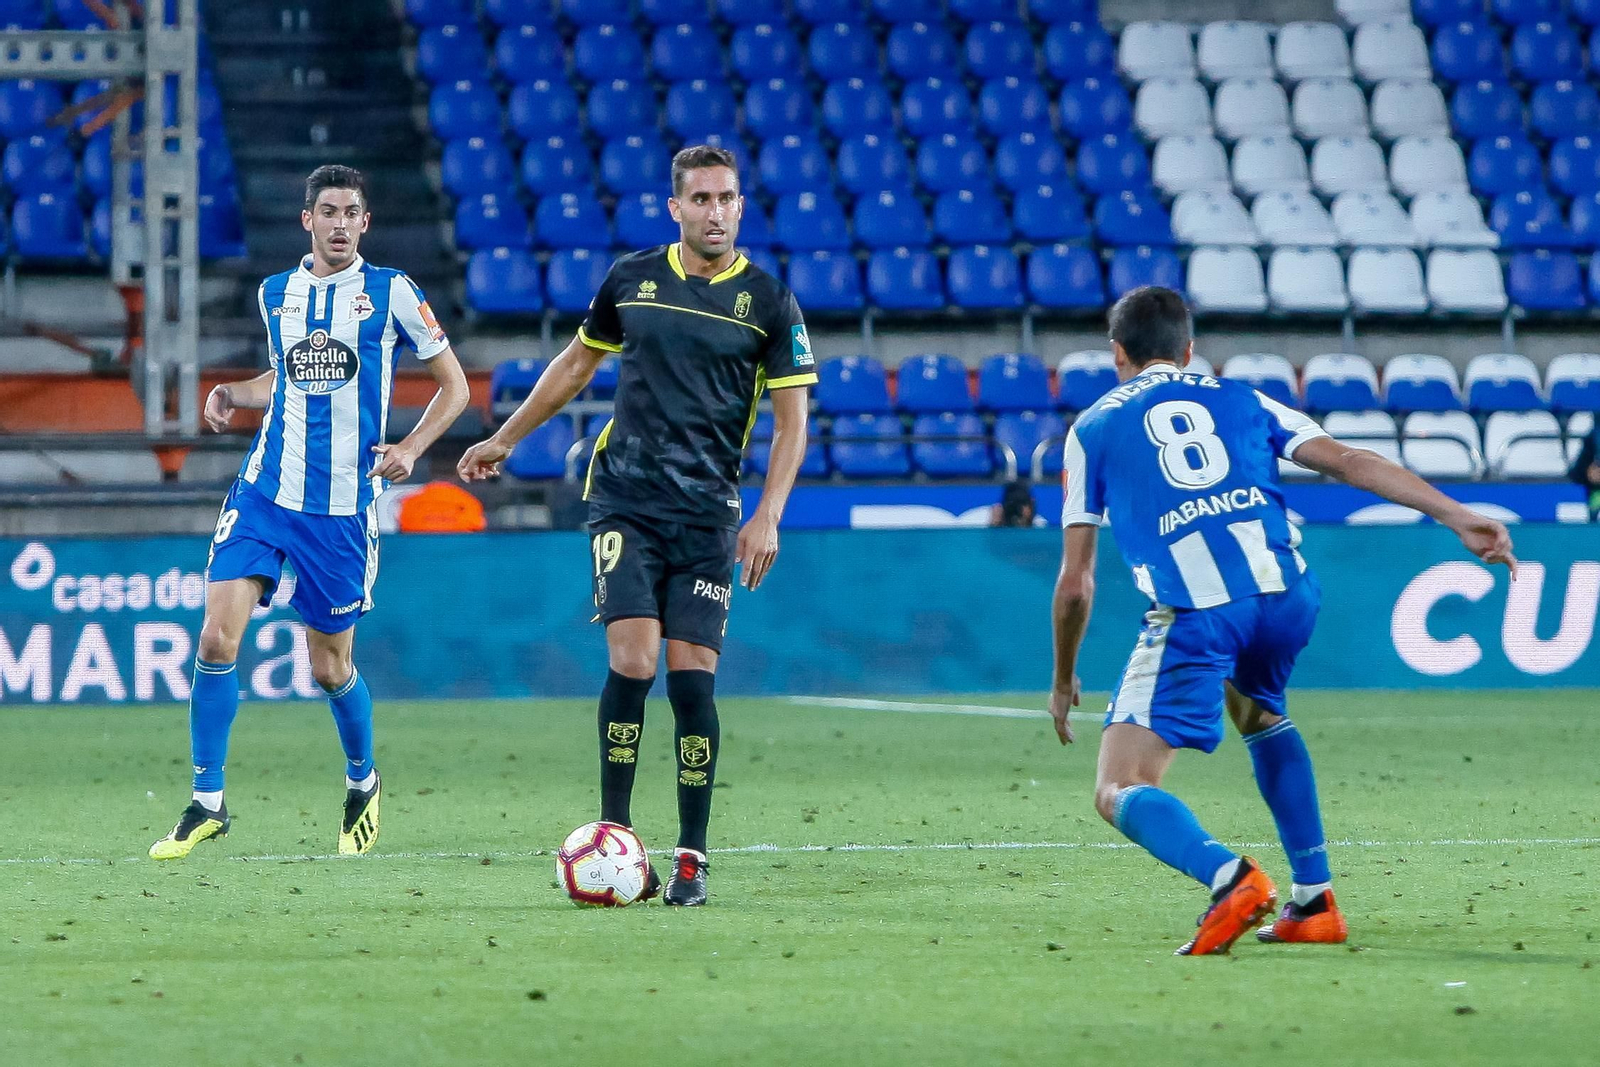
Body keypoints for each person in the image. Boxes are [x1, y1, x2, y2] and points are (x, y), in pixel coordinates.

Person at [1048, 287, 1516, 954]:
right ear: (1188, 350)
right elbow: (1351, 460)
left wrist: (1064, 676)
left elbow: (1075, 584)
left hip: (1201, 607)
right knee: (1257, 711)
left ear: (1117, 354)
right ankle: (1314, 900)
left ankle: (1229, 878)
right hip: (1287, 590)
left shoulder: (1091, 428)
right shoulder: (1242, 397)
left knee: (1120, 784)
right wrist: (1455, 513)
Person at [458, 145, 816, 906]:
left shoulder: (771, 302)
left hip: (709, 512)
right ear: (676, 208)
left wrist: (768, 516)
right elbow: (574, 366)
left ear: (740, 206)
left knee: (693, 680)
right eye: (703, 199)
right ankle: (617, 836)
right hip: (625, 496)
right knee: (634, 659)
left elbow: (791, 426)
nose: (717, 212)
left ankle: (691, 855)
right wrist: (505, 438)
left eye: (728, 198)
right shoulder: (633, 279)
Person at [150, 165, 470, 860]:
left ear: (365, 222)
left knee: (328, 668)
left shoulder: (392, 293)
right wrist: (236, 391)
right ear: (307, 220)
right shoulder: (278, 294)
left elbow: (455, 386)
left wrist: (413, 447)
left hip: (341, 511)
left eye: (351, 211)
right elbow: (286, 375)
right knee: (215, 640)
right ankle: (207, 800)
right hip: (265, 492)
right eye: (327, 211)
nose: (339, 223)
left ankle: (363, 778)